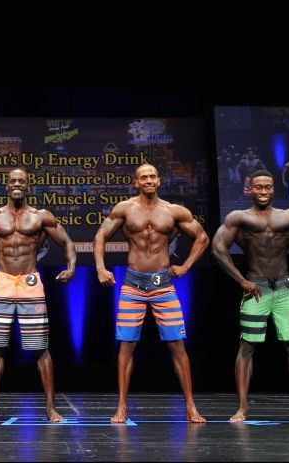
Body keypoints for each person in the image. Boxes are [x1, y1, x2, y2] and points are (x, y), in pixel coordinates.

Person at [0, 168, 76, 423]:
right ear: (7, 185)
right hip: (2, 282)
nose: (17, 184)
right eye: (13, 180)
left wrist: (71, 268)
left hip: (31, 282)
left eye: (22, 180)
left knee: (41, 348)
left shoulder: (41, 216)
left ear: (28, 186)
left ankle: (50, 408)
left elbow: (66, 242)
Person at [94, 163, 209, 424]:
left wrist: (186, 266)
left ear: (159, 180)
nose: (148, 180)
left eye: (152, 176)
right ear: (136, 182)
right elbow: (100, 236)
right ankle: (122, 406)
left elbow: (202, 237)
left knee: (177, 345)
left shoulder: (174, 211)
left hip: (163, 285)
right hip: (132, 285)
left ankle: (191, 406)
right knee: (126, 345)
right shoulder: (125, 209)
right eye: (143, 177)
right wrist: (101, 268)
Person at [211, 170, 289, 423]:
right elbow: (218, 249)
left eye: (268, 187)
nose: (263, 191)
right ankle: (242, 408)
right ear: (250, 189)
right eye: (259, 187)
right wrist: (242, 280)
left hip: (285, 289)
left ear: (273, 189)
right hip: (256, 289)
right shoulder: (239, 218)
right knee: (247, 347)